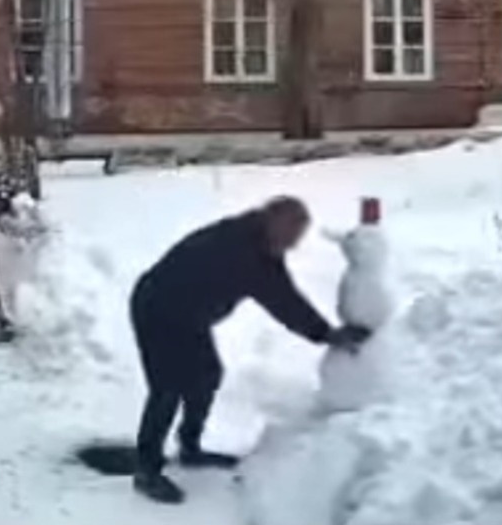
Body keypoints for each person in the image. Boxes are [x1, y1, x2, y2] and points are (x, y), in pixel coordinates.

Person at [128, 196, 371, 504]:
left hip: (190, 317)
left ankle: (189, 448)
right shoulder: (241, 250)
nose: (293, 246)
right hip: (157, 308)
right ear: (274, 223)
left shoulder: (261, 244)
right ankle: (146, 470)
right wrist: (327, 334)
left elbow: (285, 294)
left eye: (296, 239)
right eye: (291, 237)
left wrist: (324, 333)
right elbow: (282, 301)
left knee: (207, 375)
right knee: (168, 387)